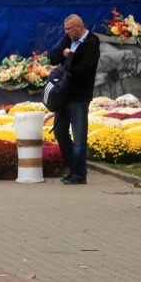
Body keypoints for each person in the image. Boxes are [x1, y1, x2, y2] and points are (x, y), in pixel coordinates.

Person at [48, 13, 100, 185]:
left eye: (69, 29)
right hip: (63, 96)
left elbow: (86, 69)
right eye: (66, 29)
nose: (66, 32)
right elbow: (53, 58)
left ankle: (80, 174)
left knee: (79, 138)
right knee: (60, 132)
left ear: (78, 27)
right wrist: (64, 54)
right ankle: (72, 168)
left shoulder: (92, 42)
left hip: (79, 97)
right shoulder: (67, 39)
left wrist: (70, 60)